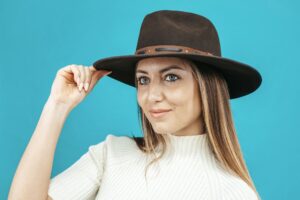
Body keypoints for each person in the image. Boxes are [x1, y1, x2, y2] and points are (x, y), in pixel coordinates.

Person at [8, 10, 262, 200]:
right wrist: (57, 106)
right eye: (143, 79)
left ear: (207, 87)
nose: (151, 96)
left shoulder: (233, 192)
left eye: (171, 77)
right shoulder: (113, 154)